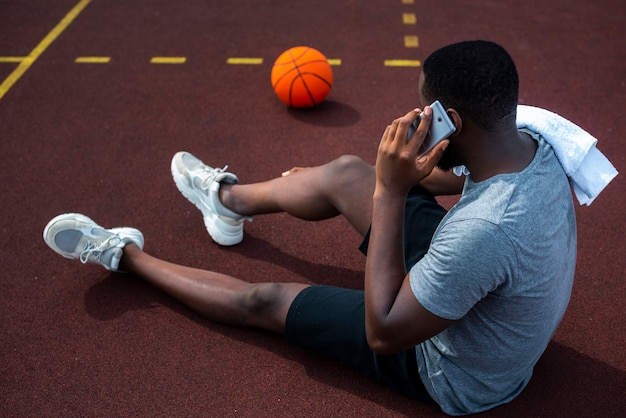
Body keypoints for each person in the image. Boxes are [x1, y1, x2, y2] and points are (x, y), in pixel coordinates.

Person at [43, 40, 577, 416]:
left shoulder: (484, 230)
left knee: (267, 300)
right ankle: (225, 200)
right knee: (349, 174)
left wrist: (389, 192)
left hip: (454, 372)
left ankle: (122, 255)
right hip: (480, 283)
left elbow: (383, 332)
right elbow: (455, 181)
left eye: (427, 106)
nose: (419, 112)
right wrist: (385, 179)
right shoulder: (536, 137)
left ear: (452, 120)